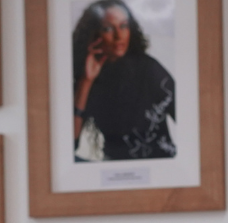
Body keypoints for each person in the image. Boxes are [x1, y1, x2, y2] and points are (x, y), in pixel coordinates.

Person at [72, 0, 176, 161]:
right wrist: (86, 81)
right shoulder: (88, 77)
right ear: (94, 35)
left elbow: (191, 121)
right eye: (108, 28)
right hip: (115, 170)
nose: (118, 36)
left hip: (159, 167)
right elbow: (70, 145)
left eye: (123, 26)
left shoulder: (149, 69)